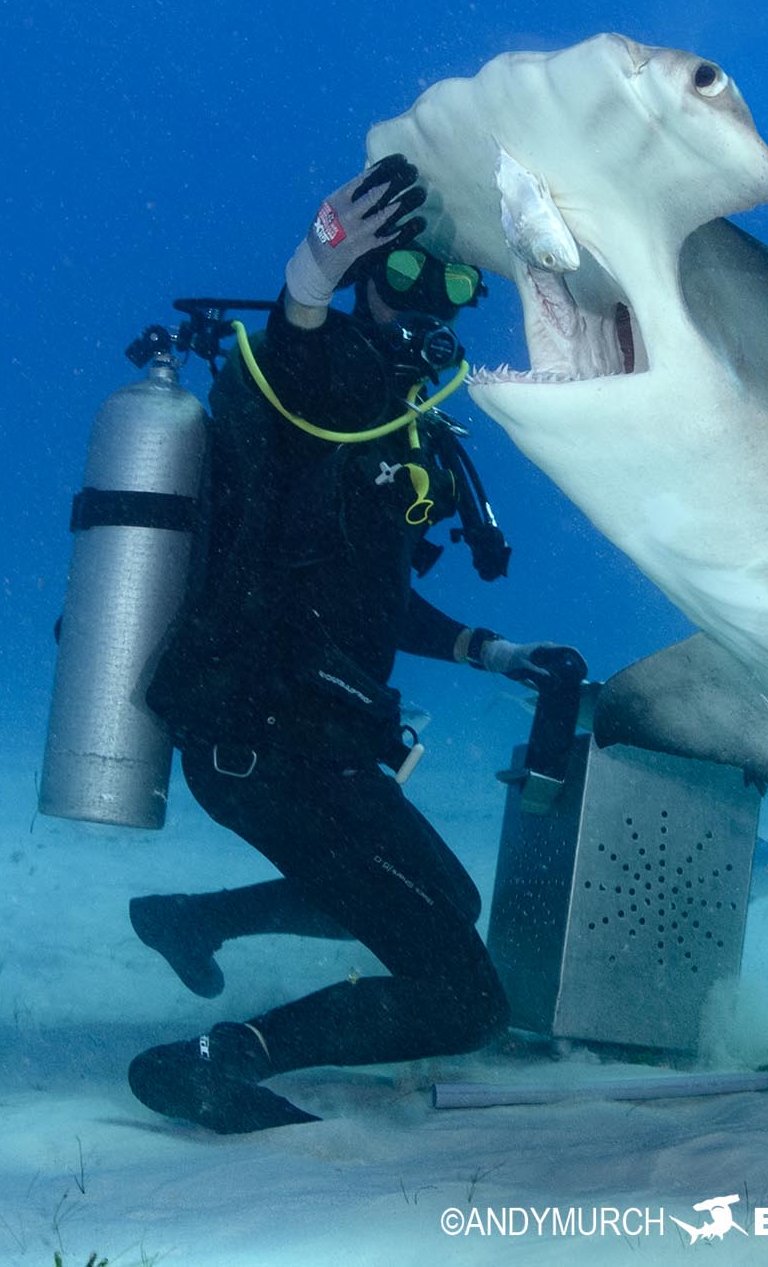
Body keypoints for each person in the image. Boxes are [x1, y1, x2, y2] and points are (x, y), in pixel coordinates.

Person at [128, 156, 582, 1134]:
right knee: (467, 998)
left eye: (457, 287)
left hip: (317, 747)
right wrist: (306, 282)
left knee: (446, 895)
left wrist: (484, 649)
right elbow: (280, 380)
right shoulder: (321, 386)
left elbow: (367, 595)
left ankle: (193, 918)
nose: (433, 305)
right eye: (406, 278)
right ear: (361, 283)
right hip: (261, 743)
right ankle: (217, 1061)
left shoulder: (393, 417)